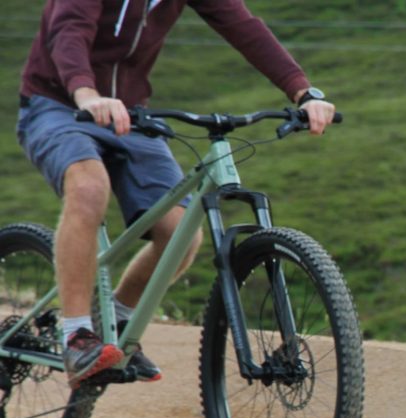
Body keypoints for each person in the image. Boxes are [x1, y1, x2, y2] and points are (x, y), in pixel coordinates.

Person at [16, 0, 336, 389]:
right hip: (57, 104)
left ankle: (115, 317)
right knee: (88, 187)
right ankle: (77, 335)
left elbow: (242, 25)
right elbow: (69, 28)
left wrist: (304, 92)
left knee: (180, 233)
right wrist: (85, 93)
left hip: (130, 114)